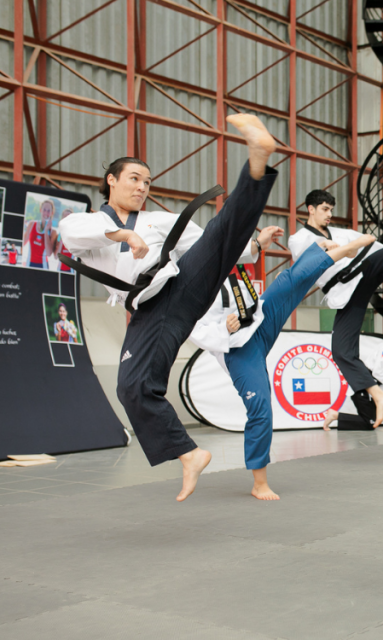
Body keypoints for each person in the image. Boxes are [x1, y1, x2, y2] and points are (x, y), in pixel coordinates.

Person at [59, 113, 279, 502]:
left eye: (147, 182)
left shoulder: (158, 221)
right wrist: (124, 233)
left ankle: (257, 161)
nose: (142, 187)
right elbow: (70, 235)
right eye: (134, 179)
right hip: (151, 309)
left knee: (220, 230)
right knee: (131, 386)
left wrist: (255, 244)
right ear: (111, 180)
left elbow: (212, 244)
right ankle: (189, 453)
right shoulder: (86, 223)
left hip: (182, 285)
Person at [189, 235, 375, 500]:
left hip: (258, 317)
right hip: (239, 349)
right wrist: (223, 328)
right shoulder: (186, 293)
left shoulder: (216, 267)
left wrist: (258, 242)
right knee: (261, 408)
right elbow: (194, 331)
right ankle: (259, 482)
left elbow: (232, 249)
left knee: (289, 282)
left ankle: (328, 252)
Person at [287, 190, 383, 429]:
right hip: (345, 292)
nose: (329, 214)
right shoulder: (300, 238)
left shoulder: (340, 233)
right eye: (324, 209)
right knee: (341, 351)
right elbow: (308, 262)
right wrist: (335, 246)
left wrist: (351, 245)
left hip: (363, 273)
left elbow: (367, 240)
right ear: (310, 209)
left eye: (331, 209)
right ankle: (379, 396)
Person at [24, 199, 55, 269]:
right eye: (44, 210)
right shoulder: (32, 224)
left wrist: (46, 230)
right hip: (29, 263)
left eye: (48, 211)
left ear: (51, 213)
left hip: (43, 266)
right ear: (40, 210)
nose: (46, 213)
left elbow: (49, 253)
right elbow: (23, 242)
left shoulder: (52, 232)